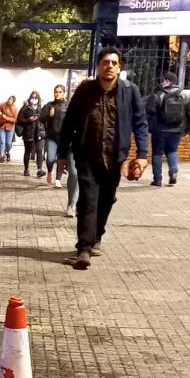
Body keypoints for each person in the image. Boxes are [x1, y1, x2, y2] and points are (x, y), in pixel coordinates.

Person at [57, 46, 149, 270]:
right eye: (105, 62)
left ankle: (97, 235)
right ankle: (84, 248)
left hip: (115, 157)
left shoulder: (130, 91)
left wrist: (143, 156)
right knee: (88, 199)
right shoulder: (85, 90)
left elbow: (140, 123)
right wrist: (62, 154)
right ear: (98, 66)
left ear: (119, 67)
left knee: (106, 200)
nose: (109, 66)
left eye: (113, 63)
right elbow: (69, 123)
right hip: (87, 155)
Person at [145, 72, 190, 187]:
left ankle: (157, 180)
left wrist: (150, 128)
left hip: (159, 130)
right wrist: (186, 130)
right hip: (177, 130)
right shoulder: (184, 96)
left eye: (163, 80)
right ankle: (173, 173)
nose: (161, 83)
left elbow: (148, 112)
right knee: (172, 151)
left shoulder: (158, 95)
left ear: (168, 81)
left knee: (157, 153)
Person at [42, 85, 69, 187]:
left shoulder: (68, 105)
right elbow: (41, 119)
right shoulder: (49, 105)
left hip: (64, 138)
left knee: (61, 159)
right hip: (51, 137)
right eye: (56, 92)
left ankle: (58, 179)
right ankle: (49, 171)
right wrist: (49, 114)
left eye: (60, 92)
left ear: (64, 93)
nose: (58, 94)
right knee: (50, 158)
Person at [16, 91, 46, 177]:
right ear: (30, 98)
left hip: (39, 133)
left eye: (36, 98)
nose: (34, 99)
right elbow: (19, 119)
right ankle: (26, 169)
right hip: (28, 133)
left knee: (39, 150)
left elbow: (45, 119)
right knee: (27, 151)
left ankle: (39, 170)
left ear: (39, 99)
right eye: (32, 98)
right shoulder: (25, 108)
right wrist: (28, 120)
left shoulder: (42, 108)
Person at [0, 96, 18, 163]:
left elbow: (15, 119)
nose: (9, 100)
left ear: (13, 101)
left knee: (8, 143)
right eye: (9, 98)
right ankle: (2, 156)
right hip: (2, 126)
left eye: (11, 99)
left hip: (10, 127)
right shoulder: (3, 104)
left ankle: (7, 152)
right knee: (2, 142)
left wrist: (6, 118)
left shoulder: (15, 109)